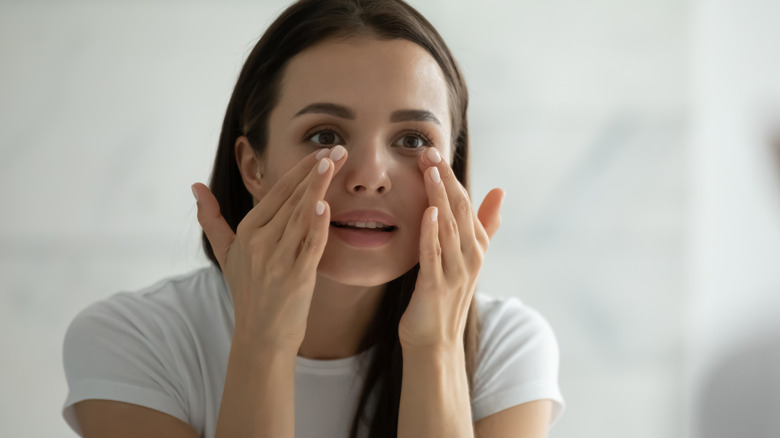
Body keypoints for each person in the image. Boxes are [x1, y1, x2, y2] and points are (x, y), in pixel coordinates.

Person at [61, 1, 565, 437]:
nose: (371, 176)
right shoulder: (134, 340)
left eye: (412, 140)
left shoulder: (507, 348)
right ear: (252, 165)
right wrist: (265, 339)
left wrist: (435, 348)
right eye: (325, 135)